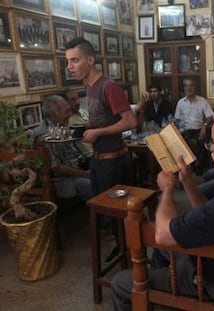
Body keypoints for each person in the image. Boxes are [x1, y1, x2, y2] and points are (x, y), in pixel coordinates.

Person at [111, 106, 214, 310]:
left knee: (121, 282)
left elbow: (163, 234)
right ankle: (166, 301)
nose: (211, 148)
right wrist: (187, 181)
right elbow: (210, 213)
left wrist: (168, 190)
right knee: (162, 253)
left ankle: (171, 292)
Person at [65, 37, 137, 261]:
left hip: (113, 160)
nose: (70, 66)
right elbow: (101, 118)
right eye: (68, 61)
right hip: (98, 159)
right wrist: (88, 127)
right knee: (105, 212)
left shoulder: (109, 86)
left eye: (74, 60)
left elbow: (130, 122)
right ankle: (121, 247)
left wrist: (98, 132)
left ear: (90, 60)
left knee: (116, 212)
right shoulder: (89, 87)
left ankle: (129, 252)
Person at [31, 95, 92, 202]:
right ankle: (102, 215)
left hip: (79, 168)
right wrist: (87, 174)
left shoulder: (60, 126)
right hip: (63, 179)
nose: (70, 114)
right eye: (67, 111)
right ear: (53, 114)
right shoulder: (43, 135)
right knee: (92, 184)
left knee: (108, 167)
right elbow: (57, 167)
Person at [174, 78, 214, 175]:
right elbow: (177, 119)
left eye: (191, 85)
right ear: (184, 88)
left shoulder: (202, 101)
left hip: (199, 129)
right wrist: (178, 127)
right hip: (185, 130)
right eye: (186, 86)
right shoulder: (180, 102)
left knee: (202, 141)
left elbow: (210, 116)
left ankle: (198, 166)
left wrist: (204, 126)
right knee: (178, 142)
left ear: (195, 87)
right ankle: (186, 167)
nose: (189, 88)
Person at [63, 88, 93, 158]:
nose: (77, 102)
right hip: (89, 156)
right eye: (73, 100)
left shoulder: (83, 112)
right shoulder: (66, 120)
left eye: (77, 98)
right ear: (65, 103)